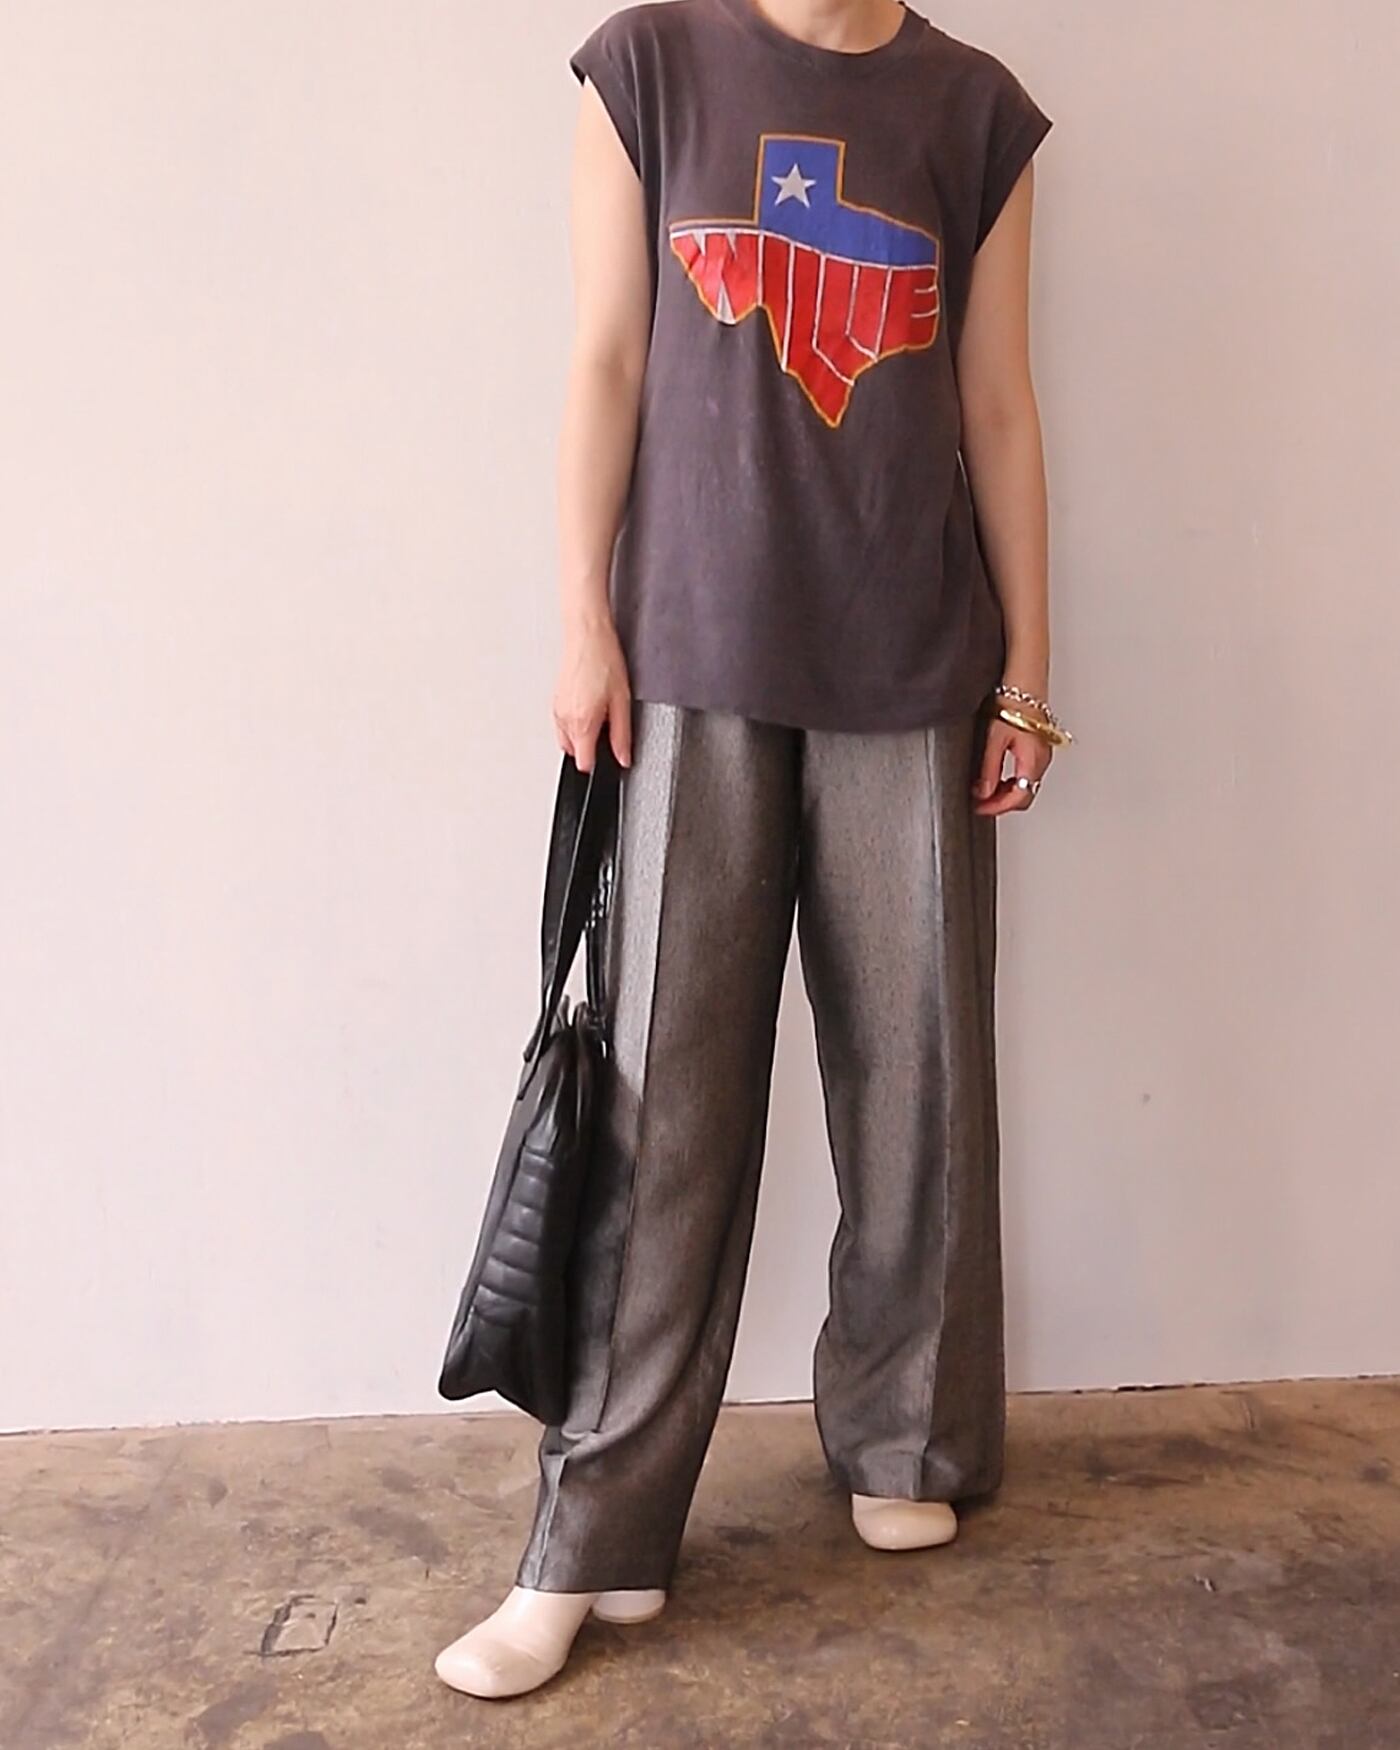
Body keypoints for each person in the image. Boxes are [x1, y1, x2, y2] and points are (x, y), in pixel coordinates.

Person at [436, 0, 1070, 1700]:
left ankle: (908, 1435)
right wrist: (582, 618)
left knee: (920, 1078)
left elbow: (998, 405)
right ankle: (594, 1531)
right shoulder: (651, 68)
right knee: (663, 1103)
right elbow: (607, 359)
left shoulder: (976, 112)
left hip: (913, 661)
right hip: (694, 654)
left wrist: (1030, 669)